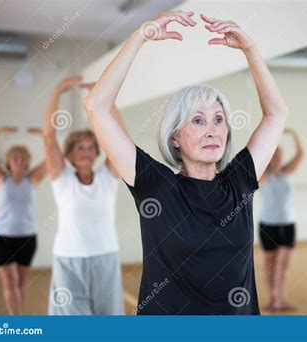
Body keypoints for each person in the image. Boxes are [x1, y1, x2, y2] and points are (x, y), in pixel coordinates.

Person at [83, 11, 289, 314]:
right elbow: (96, 106)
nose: (212, 130)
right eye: (198, 120)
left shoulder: (239, 181)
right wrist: (139, 36)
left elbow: (277, 114)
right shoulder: (155, 185)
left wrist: (250, 50)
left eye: (219, 120)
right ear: (174, 137)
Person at [43, 77, 124, 315]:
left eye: (90, 147)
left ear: (97, 153)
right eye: (79, 147)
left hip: (106, 257)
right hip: (68, 260)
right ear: (68, 153)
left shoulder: (107, 178)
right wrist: (57, 91)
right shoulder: (62, 178)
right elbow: (48, 137)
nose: (85, 151)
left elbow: (120, 137)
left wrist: (106, 100)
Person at [0, 126, 47, 315]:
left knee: (20, 284)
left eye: (23, 157)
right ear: (8, 162)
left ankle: (18, 320)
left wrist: (43, 135)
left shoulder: (33, 179)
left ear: (28, 162)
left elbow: (54, 158)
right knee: (9, 281)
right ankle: (16, 325)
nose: (19, 160)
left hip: (27, 238)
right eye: (15, 157)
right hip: (1, 238)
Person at [258, 128, 304, 311]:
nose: (277, 159)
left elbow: (301, 153)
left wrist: (294, 135)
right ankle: (274, 298)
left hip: (288, 224)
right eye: (273, 156)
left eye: (280, 156)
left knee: (283, 265)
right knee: (270, 264)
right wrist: (270, 137)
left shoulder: (287, 172)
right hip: (267, 225)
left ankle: (279, 298)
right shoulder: (263, 176)